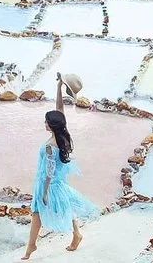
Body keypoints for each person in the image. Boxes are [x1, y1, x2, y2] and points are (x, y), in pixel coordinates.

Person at [21, 73, 99, 260]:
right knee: (64, 206)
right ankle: (76, 235)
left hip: (48, 183)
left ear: (51, 125)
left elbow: (49, 171)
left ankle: (31, 246)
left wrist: (44, 192)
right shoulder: (62, 134)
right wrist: (58, 87)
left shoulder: (50, 145)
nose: (45, 123)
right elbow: (60, 109)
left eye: (46, 122)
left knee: (37, 211)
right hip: (56, 181)